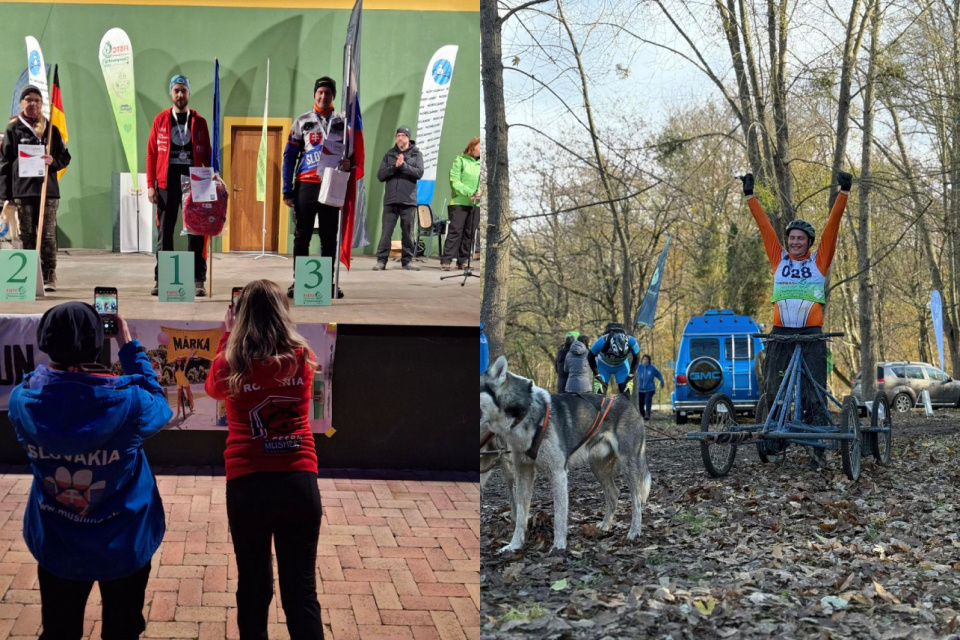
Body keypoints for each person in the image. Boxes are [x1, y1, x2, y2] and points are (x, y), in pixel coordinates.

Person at [7, 302, 172, 640]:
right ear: (98, 345)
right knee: (123, 630)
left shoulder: (21, 400)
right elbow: (160, 404)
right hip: (124, 543)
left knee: (59, 630)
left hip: (58, 544)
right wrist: (129, 349)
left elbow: (47, 388)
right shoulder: (129, 403)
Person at [205, 279, 324, 640]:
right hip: (298, 482)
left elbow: (212, 390)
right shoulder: (303, 358)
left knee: (254, 587)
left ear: (238, 316)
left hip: (248, 485)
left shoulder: (229, 363)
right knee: (301, 592)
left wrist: (228, 336)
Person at [740, 171, 852, 458]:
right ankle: (774, 439)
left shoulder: (820, 260)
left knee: (813, 389)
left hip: (811, 334)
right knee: (775, 387)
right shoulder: (778, 259)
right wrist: (750, 196)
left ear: (810, 242)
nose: (795, 242)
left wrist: (843, 192)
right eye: (791, 238)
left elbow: (833, 226)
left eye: (800, 238)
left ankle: (817, 446)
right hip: (780, 333)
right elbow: (764, 227)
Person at [282, 76, 352, 299]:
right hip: (306, 184)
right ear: (314, 94)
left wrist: (351, 163)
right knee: (302, 236)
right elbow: (289, 156)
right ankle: (299, 281)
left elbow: (351, 154)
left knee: (329, 236)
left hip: (331, 184)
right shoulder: (301, 121)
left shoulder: (343, 122)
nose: (323, 96)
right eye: (320, 92)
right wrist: (286, 189)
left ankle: (327, 282)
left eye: (328, 93)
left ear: (333, 96)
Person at [146, 74, 212, 297]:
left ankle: (197, 279)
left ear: (189, 93)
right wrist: (150, 185)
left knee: (197, 232)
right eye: (176, 90)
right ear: (171, 93)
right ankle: (163, 278)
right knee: (165, 231)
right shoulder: (160, 120)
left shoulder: (200, 122)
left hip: (195, 183)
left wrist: (211, 179)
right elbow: (151, 154)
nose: (180, 94)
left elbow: (209, 155)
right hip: (167, 183)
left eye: (184, 90)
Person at [0, 85, 71, 291]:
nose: (33, 104)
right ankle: (31, 274)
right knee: (27, 236)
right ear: (22, 104)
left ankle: (49, 275)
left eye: (37, 101)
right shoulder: (13, 130)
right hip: (22, 192)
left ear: (42, 104)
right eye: (29, 100)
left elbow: (65, 157)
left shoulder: (51, 130)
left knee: (47, 234)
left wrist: (53, 161)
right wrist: (6, 196)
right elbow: (5, 164)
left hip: (46, 192)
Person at [373, 126, 423, 270]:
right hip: (390, 200)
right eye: (398, 135)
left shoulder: (416, 154)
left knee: (407, 233)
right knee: (386, 232)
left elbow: (419, 173)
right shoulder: (389, 154)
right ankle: (381, 261)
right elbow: (380, 175)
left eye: (403, 135)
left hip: (408, 201)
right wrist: (394, 167)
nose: (400, 137)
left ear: (408, 138)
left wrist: (404, 166)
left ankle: (407, 261)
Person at [440, 136, 481, 270]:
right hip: (459, 202)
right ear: (473, 146)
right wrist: (470, 192)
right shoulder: (460, 160)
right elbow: (455, 181)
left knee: (470, 233)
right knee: (455, 231)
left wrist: (480, 193)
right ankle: (446, 260)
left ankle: (463, 261)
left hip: (477, 204)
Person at [589, 323, 640, 396]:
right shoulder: (601, 342)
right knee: (599, 396)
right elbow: (590, 357)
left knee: (626, 395)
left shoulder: (632, 341)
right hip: (603, 367)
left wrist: (631, 375)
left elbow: (637, 358)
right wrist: (597, 375)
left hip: (621, 367)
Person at [635, 354, 665, 420]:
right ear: (642, 360)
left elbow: (659, 374)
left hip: (650, 389)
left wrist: (662, 381)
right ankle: (642, 415)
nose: (645, 361)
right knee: (640, 403)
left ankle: (647, 414)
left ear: (649, 361)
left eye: (647, 359)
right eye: (644, 359)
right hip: (640, 389)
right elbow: (632, 373)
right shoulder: (639, 367)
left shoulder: (652, 368)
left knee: (648, 401)